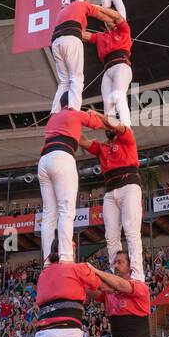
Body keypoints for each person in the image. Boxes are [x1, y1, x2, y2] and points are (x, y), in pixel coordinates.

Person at [38, 106, 121, 264]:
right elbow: (102, 124)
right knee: (66, 210)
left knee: (49, 215)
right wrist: (115, 125)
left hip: (43, 161)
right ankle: (66, 257)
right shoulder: (74, 112)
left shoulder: (52, 120)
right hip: (62, 157)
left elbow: (81, 139)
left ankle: (47, 261)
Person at [85, 124, 142, 277]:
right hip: (110, 192)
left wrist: (101, 118)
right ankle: (115, 271)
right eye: (105, 127)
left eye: (109, 125)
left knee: (131, 232)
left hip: (129, 186)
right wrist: (72, 119)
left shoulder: (127, 138)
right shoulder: (102, 147)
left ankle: (137, 274)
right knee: (111, 236)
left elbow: (117, 126)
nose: (107, 128)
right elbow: (82, 140)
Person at [49, 0, 122, 114]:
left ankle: (55, 110)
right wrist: (113, 24)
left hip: (55, 43)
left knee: (64, 81)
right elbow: (102, 17)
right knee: (76, 78)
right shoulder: (81, 4)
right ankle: (73, 108)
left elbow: (82, 33)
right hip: (70, 39)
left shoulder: (61, 11)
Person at [93, 250, 153, 337]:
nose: (115, 265)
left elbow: (121, 285)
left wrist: (94, 271)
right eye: (114, 262)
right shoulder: (109, 292)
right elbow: (93, 292)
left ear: (130, 267)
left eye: (120, 262)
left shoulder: (139, 286)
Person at [89, 17, 133, 127]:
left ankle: (126, 125)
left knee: (118, 96)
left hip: (121, 66)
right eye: (106, 20)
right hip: (108, 70)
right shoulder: (100, 36)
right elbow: (85, 35)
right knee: (108, 104)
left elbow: (117, 17)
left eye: (109, 20)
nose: (108, 22)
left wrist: (99, 11)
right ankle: (112, 131)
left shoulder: (124, 29)